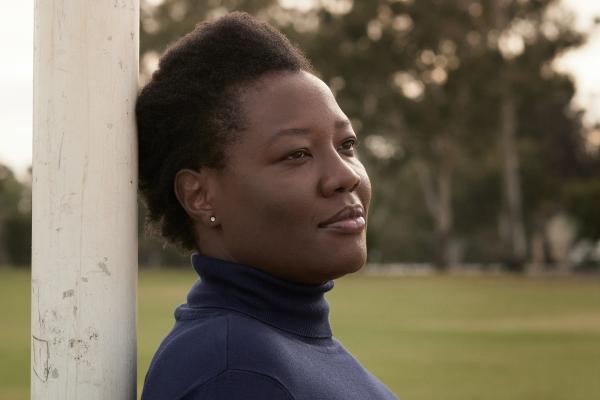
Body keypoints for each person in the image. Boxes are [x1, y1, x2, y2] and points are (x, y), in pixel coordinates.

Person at [136, 11, 398, 400]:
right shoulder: (232, 374)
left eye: (346, 145)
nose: (346, 176)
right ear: (199, 195)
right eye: (297, 154)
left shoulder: (275, 345)